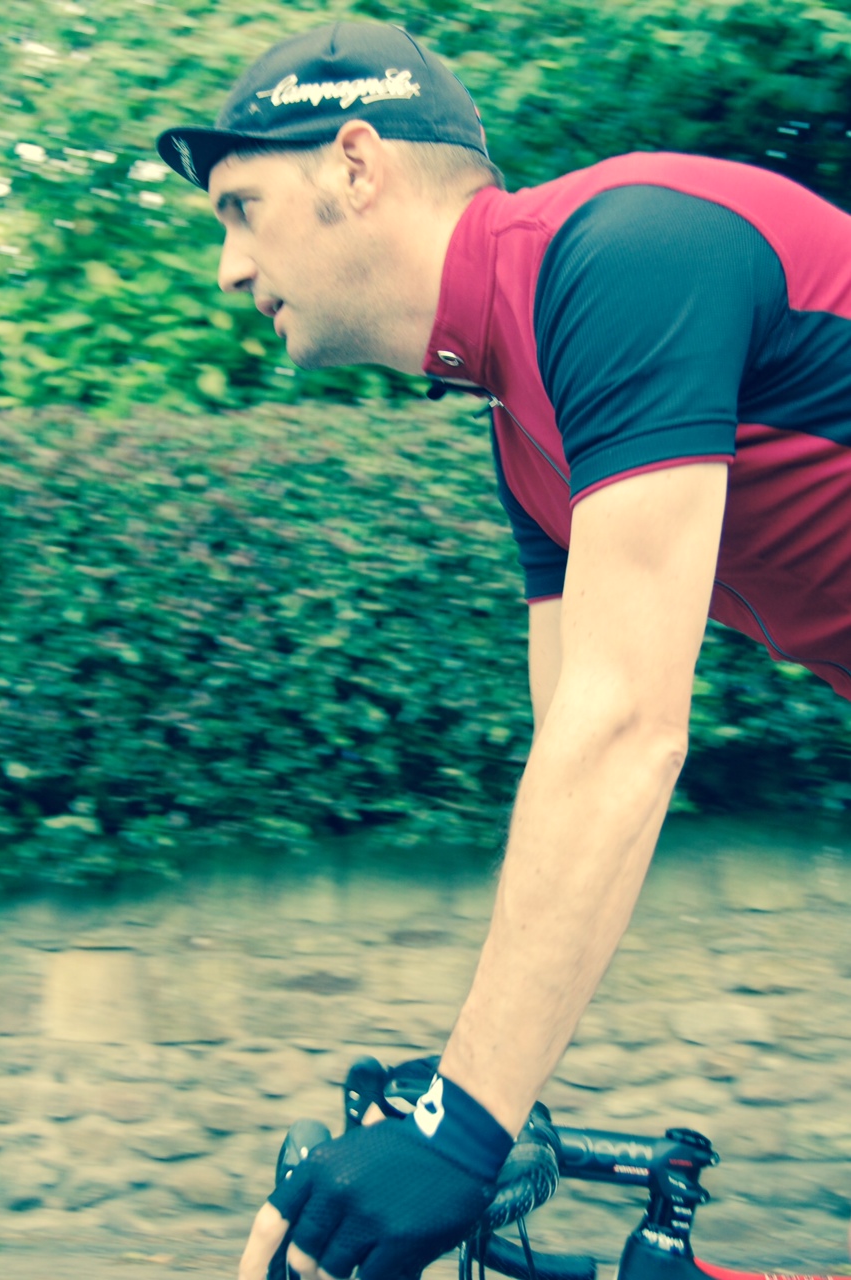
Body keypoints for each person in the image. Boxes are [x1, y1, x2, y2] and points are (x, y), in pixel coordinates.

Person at [156, 19, 851, 1280]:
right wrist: (467, 1091)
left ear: (355, 164)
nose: (228, 267)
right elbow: (570, 774)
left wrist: (462, 1127)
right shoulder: (522, 424)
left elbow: (628, 732)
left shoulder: (624, 255)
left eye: (242, 208)